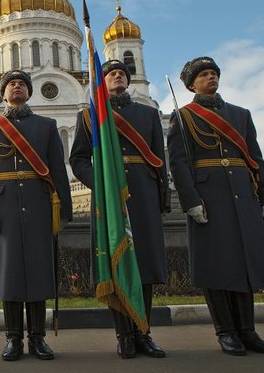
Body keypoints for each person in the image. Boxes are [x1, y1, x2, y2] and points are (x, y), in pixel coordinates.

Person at [167, 56, 264, 356]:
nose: (211, 77)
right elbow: (178, 163)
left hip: (243, 195)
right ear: (192, 85)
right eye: (204, 74)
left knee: (244, 263)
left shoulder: (241, 114)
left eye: (213, 73)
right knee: (217, 264)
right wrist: (191, 201)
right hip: (209, 198)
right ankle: (226, 332)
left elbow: (255, 157)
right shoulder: (183, 116)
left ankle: (248, 331)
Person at [69, 60, 169, 358]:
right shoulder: (89, 116)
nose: (117, 76)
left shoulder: (148, 114)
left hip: (143, 194)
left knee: (144, 265)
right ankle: (124, 335)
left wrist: (162, 198)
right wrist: (101, 183)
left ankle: (143, 332)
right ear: (102, 82)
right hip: (109, 200)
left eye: (122, 73)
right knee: (115, 262)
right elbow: (79, 159)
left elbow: (159, 159)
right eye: (111, 73)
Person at [0, 70, 72, 361]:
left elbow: (58, 170)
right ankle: (13, 339)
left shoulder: (47, 126)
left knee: (39, 271)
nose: (16, 87)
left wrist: (63, 211)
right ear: (3, 93)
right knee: (11, 274)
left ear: (29, 92)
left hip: (39, 203)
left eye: (22, 84)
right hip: (4, 208)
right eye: (11, 85)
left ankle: (38, 338)